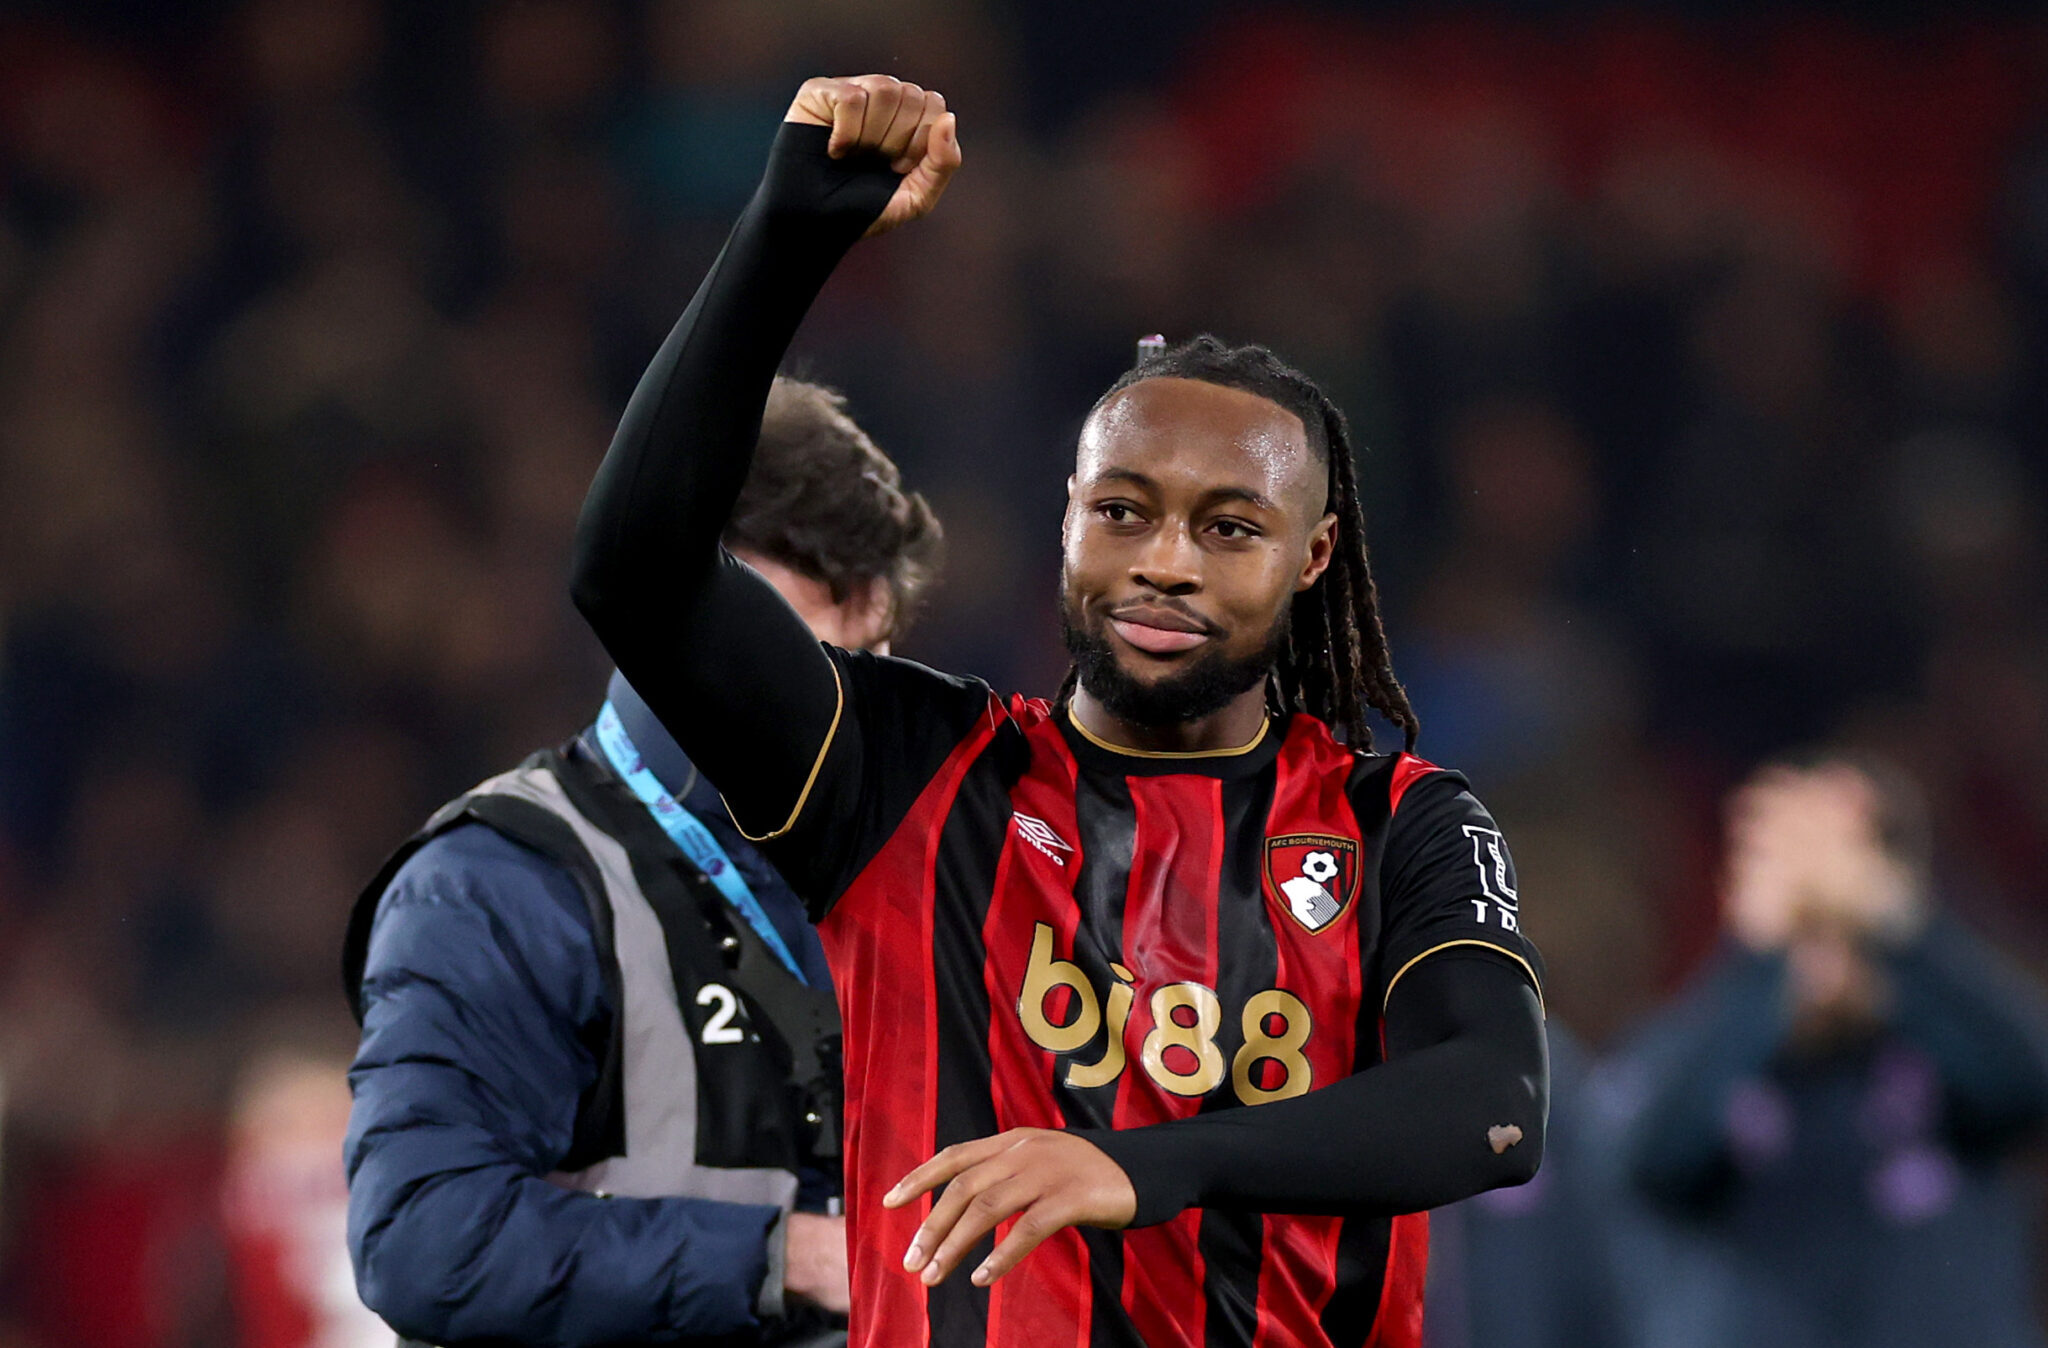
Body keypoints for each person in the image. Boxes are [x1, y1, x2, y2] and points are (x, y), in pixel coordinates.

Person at [570, 75, 1549, 1348]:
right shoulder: (901, 768)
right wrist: (787, 232)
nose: (1166, 562)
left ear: (1311, 557)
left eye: (1229, 528)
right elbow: (633, 573)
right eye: (1122, 511)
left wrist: (1143, 1165)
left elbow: (1494, 1106)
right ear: (1070, 516)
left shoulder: (1400, 822)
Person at [342, 377, 942, 1347]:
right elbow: (421, 1240)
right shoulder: (496, 883)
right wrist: (789, 1257)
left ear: (874, 614)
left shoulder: (922, 875)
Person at [1602, 756, 2048, 1348]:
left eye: (1842, 922)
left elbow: (2029, 1090)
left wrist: (1902, 933)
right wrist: (1759, 964)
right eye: (1803, 927)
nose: (1821, 952)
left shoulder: (1951, 1026)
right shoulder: (1705, 1033)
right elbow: (1652, 1164)